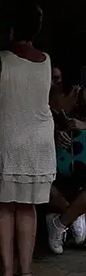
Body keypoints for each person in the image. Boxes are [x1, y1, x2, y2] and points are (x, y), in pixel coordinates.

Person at [0, 4, 56, 276]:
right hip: (40, 140)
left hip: (10, 138)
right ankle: (27, 274)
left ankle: (7, 275)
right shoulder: (46, 61)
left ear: (10, 31)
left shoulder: (0, 60)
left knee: (5, 206)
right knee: (28, 207)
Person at [46, 65, 86, 252]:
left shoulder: (81, 96)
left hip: (80, 162)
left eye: (57, 78)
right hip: (53, 162)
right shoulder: (40, 98)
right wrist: (53, 134)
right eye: (51, 78)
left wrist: (83, 124)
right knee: (39, 185)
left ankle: (61, 222)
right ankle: (73, 216)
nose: (54, 82)